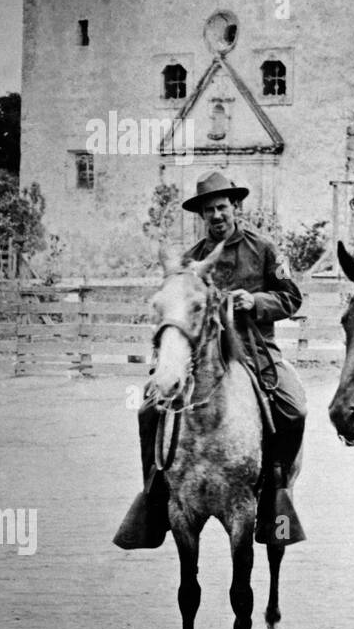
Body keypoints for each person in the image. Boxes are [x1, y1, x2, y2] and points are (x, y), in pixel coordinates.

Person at [113, 170, 308, 550]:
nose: (216, 216)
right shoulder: (192, 260)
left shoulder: (263, 248)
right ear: (202, 216)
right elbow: (177, 311)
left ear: (235, 207)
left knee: (294, 408)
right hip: (202, 358)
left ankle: (276, 492)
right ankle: (154, 496)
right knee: (149, 410)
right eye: (208, 211)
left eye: (221, 207)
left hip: (256, 351)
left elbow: (292, 298)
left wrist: (257, 302)